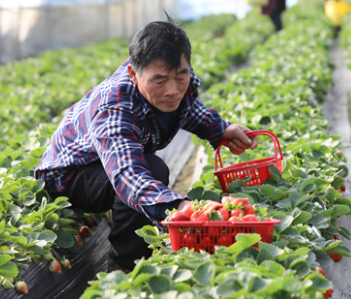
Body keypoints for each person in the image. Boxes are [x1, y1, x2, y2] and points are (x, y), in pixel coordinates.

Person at [34, 15, 259, 272]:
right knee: (151, 172)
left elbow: (186, 106)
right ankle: (124, 270)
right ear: (134, 74)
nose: (172, 90)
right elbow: (128, 175)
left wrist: (222, 129)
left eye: (180, 77)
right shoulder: (114, 106)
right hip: (69, 175)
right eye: (160, 81)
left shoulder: (173, 73)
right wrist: (180, 207)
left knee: (151, 171)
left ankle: (121, 216)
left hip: (109, 160)